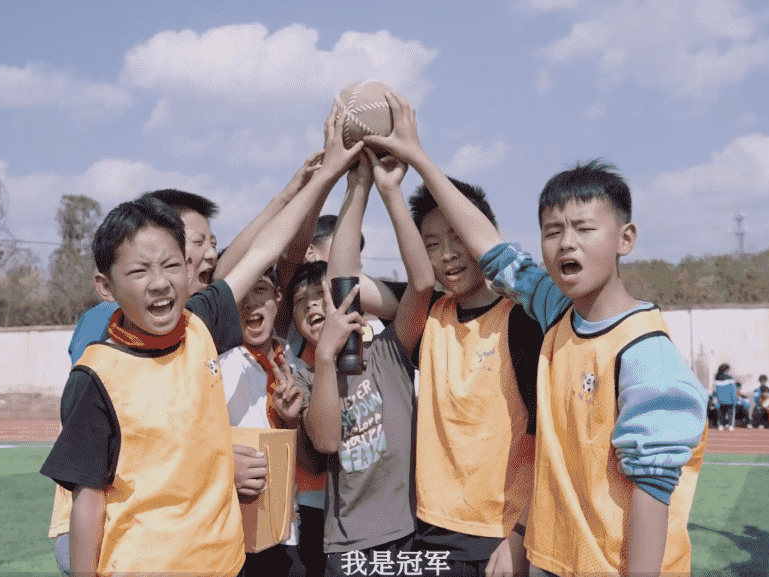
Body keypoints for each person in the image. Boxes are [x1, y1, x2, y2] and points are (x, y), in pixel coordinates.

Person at [362, 92, 707, 576]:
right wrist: (414, 162)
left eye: (584, 229)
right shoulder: (558, 313)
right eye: (552, 231)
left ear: (626, 238)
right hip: (551, 558)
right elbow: (496, 254)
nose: (567, 243)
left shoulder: (643, 351)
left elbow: (652, 489)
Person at [41, 103, 364, 576]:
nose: (159, 282)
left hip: (223, 564)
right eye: (139, 271)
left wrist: (326, 175)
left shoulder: (200, 323)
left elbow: (266, 249)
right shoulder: (97, 372)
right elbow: (88, 501)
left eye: (172, 266)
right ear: (106, 287)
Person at [377, 171, 543, 574]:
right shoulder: (428, 312)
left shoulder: (523, 320)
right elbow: (348, 287)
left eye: (458, 238)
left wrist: (519, 534)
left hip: (501, 535)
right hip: (428, 529)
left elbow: (549, 437)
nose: (447, 255)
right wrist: (386, 190)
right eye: (432, 245)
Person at [299, 147, 435, 577]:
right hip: (350, 546)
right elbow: (326, 441)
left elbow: (422, 284)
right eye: (303, 304)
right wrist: (326, 356)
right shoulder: (304, 378)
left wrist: (371, 186)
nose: (317, 307)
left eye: (323, 297)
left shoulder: (389, 351)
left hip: (410, 532)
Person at [219, 266, 311, 576]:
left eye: (260, 290)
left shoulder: (296, 363)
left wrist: (292, 422)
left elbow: (311, 461)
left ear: (278, 296)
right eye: (241, 295)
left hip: (294, 530)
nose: (250, 302)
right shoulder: (218, 370)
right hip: (243, 536)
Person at [713, 364, 740, 431]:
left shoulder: (717, 379)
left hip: (721, 400)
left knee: (722, 413)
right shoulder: (730, 379)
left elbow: (715, 391)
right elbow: (733, 391)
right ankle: (730, 425)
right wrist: (735, 400)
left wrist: (716, 401)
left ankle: (721, 425)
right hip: (729, 400)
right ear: (726, 370)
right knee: (731, 414)